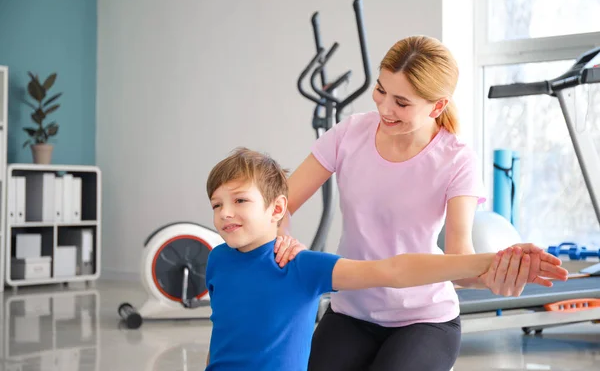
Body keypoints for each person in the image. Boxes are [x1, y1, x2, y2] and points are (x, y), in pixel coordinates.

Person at [271, 35, 569, 371]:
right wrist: (283, 236)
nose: (384, 108)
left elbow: (459, 262)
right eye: (381, 90)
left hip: (424, 321)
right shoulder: (349, 134)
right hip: (350, 312)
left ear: (437, 106)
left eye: (401, 102)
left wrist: (497, 271)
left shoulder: (456, 160)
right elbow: (278, 205)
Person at [203, 147, 566, 371]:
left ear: (277, 208)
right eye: (217, 204)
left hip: (424, 322)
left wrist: (492, 260)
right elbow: (224, 339)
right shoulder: (217, 260)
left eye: (240, 201)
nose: (225, 213)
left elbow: (395, 270)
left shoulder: (300, 266)